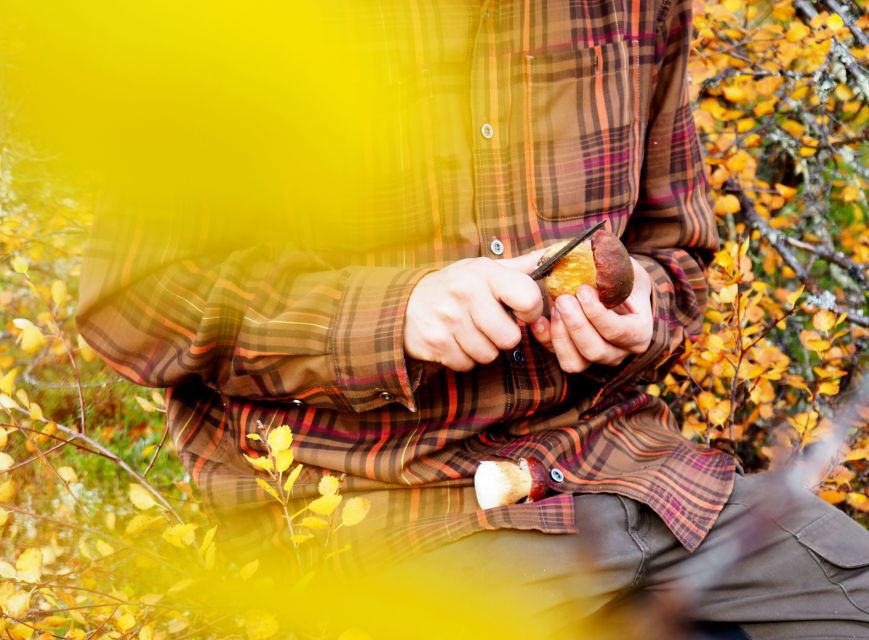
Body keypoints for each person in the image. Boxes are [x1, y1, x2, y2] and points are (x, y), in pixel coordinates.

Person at [76, 1, 869, 638]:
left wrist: (644, 313)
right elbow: (134, 304)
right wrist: (395, 314)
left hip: (625, 472)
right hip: (376, 508)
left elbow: (676, 252)